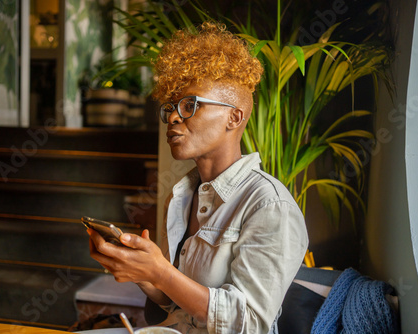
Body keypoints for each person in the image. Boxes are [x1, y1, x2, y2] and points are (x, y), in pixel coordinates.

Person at [88, 22, 308, 333]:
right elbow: (175, 302)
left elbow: (249, 324)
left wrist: (161, 272)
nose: (174, 116)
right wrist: (141, 272)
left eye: (191, 105)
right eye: (171, 107)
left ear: (235, 117)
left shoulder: (269, 205)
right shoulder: (182, 196)